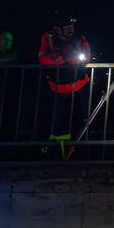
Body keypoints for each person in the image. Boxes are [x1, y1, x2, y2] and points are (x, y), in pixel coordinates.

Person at [38, 14, 91, 145]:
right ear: (57, 29)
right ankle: (54, 153)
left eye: (71, 28)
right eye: (67, 29)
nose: (70, 32)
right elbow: (43, 59)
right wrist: (64, 58)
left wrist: (59, 58)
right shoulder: (48, 37)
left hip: (79, 87)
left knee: (80, 122)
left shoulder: (80, 38)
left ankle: (77, 152)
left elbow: (84, 58)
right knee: (55, 123)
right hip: (55, 90)